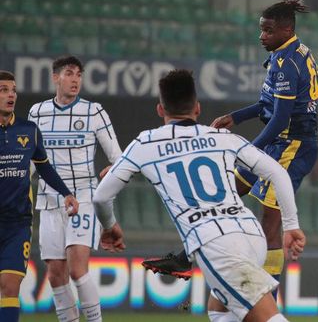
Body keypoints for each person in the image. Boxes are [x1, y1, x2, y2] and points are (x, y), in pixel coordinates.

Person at [92, 69, 306, 322]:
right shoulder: (222, 137)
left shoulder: (145, 144)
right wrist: (291, 226)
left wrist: (109, 226)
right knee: (219, 310)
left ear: (160, 110)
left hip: (215, 244)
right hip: (251, 235)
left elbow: (101, 197)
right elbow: (278, 173)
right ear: (197, 108)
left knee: (268, 318)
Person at [142, 0, 318, 291]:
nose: (262, 36)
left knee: (270, 222)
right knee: (224, 192)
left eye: (268, 31)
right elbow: (267, 104)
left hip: (292, 147)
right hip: (278, 142)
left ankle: (267, 296)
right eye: (261, 30)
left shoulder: (288, 63)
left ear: (287, 29)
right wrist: (234, 117)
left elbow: (280, 119)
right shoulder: (285, 54)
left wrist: (247, 151)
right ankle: (187, 257)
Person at [28, 56, 122, 322]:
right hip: (48, 199)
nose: (75, 80)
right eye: (69, 74)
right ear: (55, 77)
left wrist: (111, 171)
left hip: (83, 195)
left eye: (79, 75)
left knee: (77, 270)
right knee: (56, 273)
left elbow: (118, 157)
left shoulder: (94, 112)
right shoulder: (37, 112)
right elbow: (34, 161)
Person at [0, 70, 79, 322]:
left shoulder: (29, 130)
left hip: (17, 224)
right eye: (3, 90)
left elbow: (43, 166)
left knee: (9, 286)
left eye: (13, 90)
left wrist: (66, 192)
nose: (10, 94)